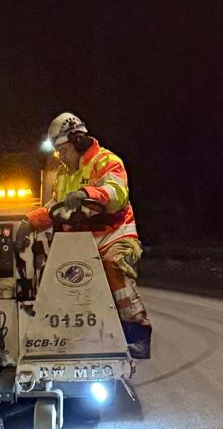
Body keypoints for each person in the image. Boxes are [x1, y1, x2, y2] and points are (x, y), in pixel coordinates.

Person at [17, 112, 151, 358]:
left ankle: (137, 331)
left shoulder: (107, 162)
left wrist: (86, 194)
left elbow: (116, 193)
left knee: (113, 266)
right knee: (57, 276)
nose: (60, 157)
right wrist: (30, 222)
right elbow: (55, 207)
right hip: (80, 242)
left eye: (63, 150)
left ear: (78, 141)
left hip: (115, 235)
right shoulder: (65, 173)